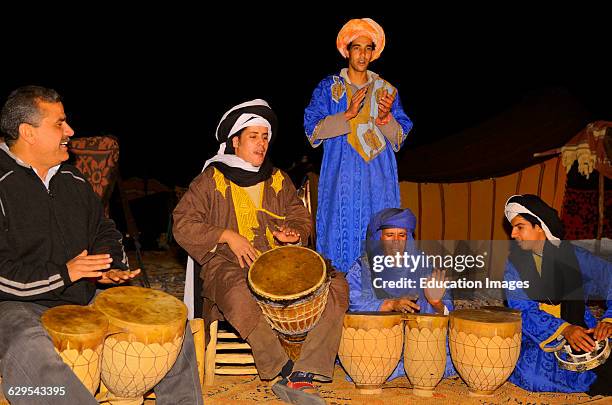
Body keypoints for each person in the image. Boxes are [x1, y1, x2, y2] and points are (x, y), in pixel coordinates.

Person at [0, 85, 202, 405]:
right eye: (59, 123)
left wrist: (109, 267)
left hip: (80, 294)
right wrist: (65, 273)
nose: (71, 131)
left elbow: (104, 229)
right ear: (28, 132)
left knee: (167, 321)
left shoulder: (73, 180)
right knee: (29, 347)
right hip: (15, 303)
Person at [173, 99, 349, 405]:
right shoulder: (211, 179)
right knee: (238, 289)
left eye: (265, 137)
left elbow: (300, 216)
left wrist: (293, 234)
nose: (262, 144)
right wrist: (226, 235)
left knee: (335, 285)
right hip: (229, 265)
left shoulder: (277, 179)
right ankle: (284, 369)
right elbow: (182, 223)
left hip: (278, 264)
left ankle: (306, 369)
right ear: (235, 141)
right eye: (253, 136)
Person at [304, 17, 413, 273]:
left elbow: (399, 137)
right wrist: (347, 115)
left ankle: (382, 300)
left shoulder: (387, 90)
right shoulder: (329, 88)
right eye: (357, 48)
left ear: (374, 52)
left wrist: (386, 120)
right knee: (339, 229)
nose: (362, 54)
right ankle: (339, 297)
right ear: (347, 50)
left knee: (380, 231)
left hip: (379, 178)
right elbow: (312, 129)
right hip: (341, 175)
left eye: (368, 48)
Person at [503, 194, 611, 395]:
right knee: (532, 376)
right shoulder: (514, 266)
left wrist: (608, 320)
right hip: (539, 334)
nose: (513, 234)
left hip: (583, 325)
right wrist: (564, 329)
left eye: (519, 227)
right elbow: (522, 311)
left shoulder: (576, 256)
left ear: (539, 227)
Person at [346, 207, 456, 380]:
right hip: (380, 342)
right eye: (390, 235)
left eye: (402, 235)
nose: (396, 241)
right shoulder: (363, 268)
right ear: (379, 237)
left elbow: (448, 311)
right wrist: (391, 304)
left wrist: (437, 304)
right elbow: (354, 303)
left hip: (420, 342)